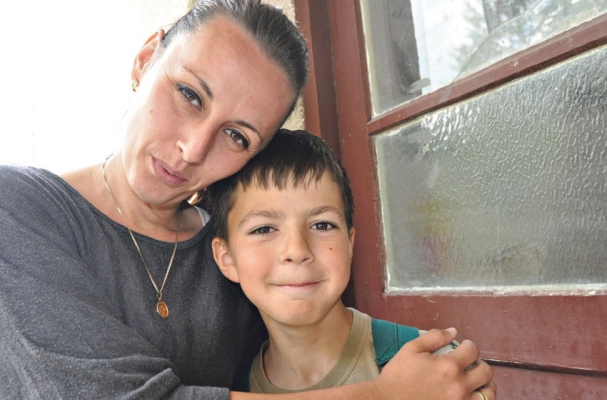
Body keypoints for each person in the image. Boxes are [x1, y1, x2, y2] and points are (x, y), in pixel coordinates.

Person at [0, 0, 494, 399]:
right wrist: (388, 396)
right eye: (189, 95)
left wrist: (433, 368)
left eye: (236, 136)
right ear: (146, 58)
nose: (193, 149)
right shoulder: (11, 206)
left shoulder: (237, 249)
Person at [207, 129, 495, 399]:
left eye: (322, 225)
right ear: (227, 259)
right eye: (264, 229)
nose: (297, 250)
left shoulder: (435, 369)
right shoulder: (234, 386)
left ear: (349, 244)